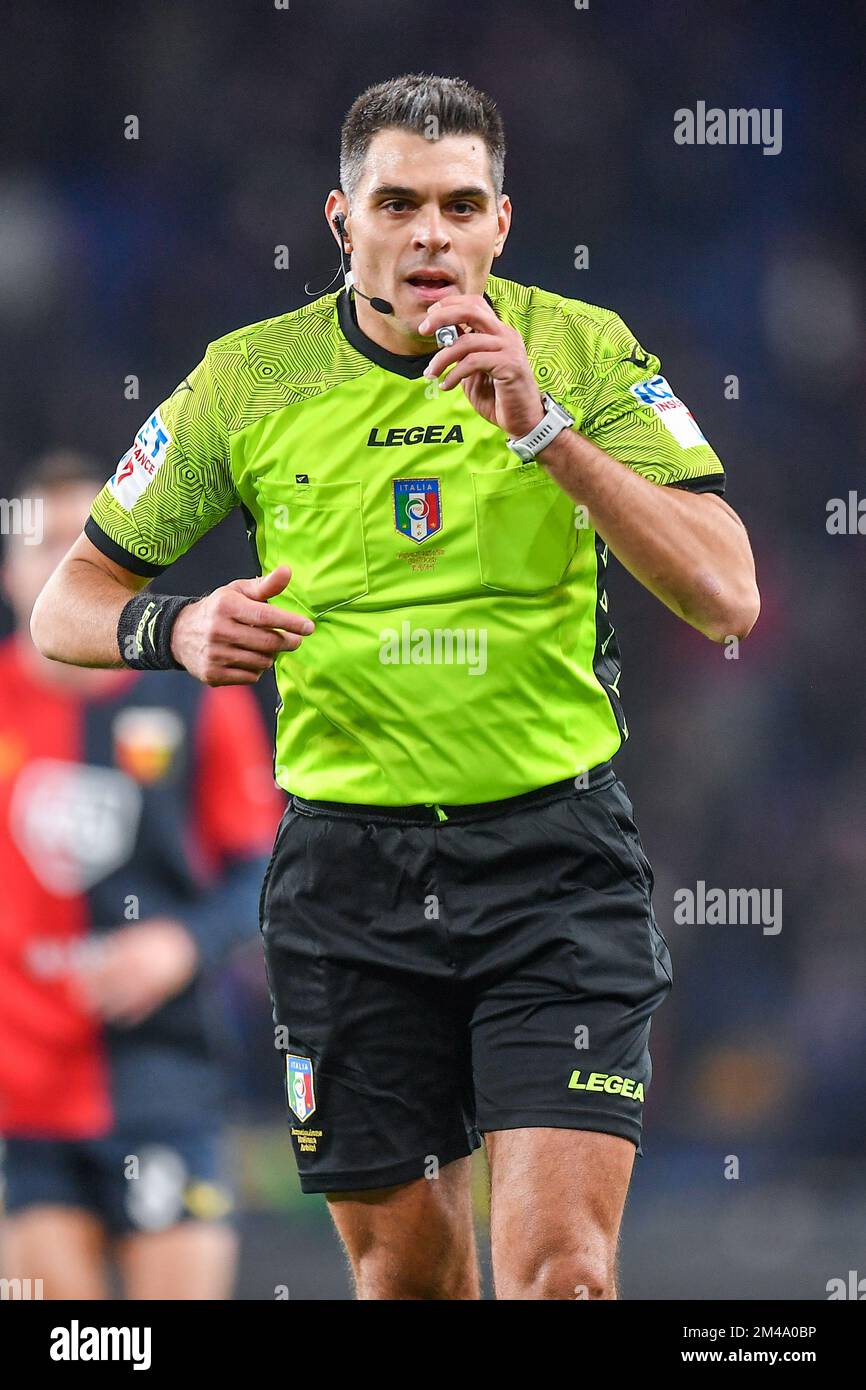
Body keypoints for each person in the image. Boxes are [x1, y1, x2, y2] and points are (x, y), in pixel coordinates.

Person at [29, 75, 760, 1300]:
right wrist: (180, 621)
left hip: (552, 866)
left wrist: (545, 431)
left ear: (500, 225)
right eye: (399, 202)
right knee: (412, 1286)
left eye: (460, 204)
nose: (431, 233)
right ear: (340, 217)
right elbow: (67, 603)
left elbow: (723, 593)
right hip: (347, 884)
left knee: (563, 1278)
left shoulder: (580, 346)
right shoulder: (247, 381)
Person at [1, 451, 282, 1299]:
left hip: (164, 1077)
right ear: (10, 568)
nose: (59, 559)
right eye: (39, 539)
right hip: (19, 1096)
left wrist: (179, 945)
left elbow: (263, 866)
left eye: (83, 541)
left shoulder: (195, 698)